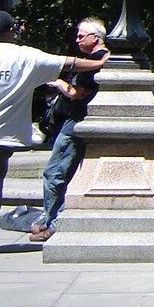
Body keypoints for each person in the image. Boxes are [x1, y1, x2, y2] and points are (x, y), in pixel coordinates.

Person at [0, 11, 107, 252]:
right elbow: (69, 63)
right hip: (0, 138)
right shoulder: (25, 56)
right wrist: (100, 63)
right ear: (11, 31)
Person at [32, 17, 110, 243]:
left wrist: (59, 84)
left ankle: (53, 222)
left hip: (75, 123)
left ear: (96, 38)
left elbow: (78, 93)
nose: (77, 40)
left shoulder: (95, 60)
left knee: (55, 172)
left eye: (81, 36)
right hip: (85, 123)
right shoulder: (106, 58)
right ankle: (53, 220)